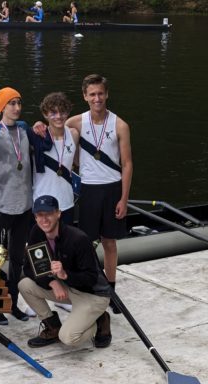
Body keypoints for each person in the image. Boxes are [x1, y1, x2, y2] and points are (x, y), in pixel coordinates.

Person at [0, 87, 52, 326]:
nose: (17, 108)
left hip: (24, 204)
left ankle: (14, 304)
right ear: (2, 107)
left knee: (19, 258)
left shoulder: (23, 128)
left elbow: (41, 139)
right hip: (2, 203)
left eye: (19, 102)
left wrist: (41, 126)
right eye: (11, 103)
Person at [68, 74, 132, 314]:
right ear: (85, 96)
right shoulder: (75, 122)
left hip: (112, 188)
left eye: (100, 94)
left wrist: (124, 199)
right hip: (88, 189)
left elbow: (127, 164)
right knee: (85, 243)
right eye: (92, 94)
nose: (97, 98)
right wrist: (74, 159)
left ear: (107, 95)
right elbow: (55, 132)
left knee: (109, 242)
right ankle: (91, 286)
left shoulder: (120, 125)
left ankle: (111, 290)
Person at [17, 195, 112, 349]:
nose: (44, 219)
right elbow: (29, 268)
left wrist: (65, 275)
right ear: (35, 217)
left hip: (92, 294)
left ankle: (99, 320)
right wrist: (52, 282)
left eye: (48, 214)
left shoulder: (78, 239)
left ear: (58, 214)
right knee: (25, 285)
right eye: (39, 215)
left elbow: (91, 278)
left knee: (68, 339)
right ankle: (53, 328)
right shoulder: (36, 232)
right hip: (67, 287)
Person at [33, 92, 79, 226]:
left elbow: (76, 163)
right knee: (43, 247)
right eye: (53, 113)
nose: (58, 116)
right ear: (45, 114)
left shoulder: (74, 134)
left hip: (66, 202)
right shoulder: (36, 136)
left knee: (65, 244)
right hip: (41, 202)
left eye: (62, 112)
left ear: (68, 112)